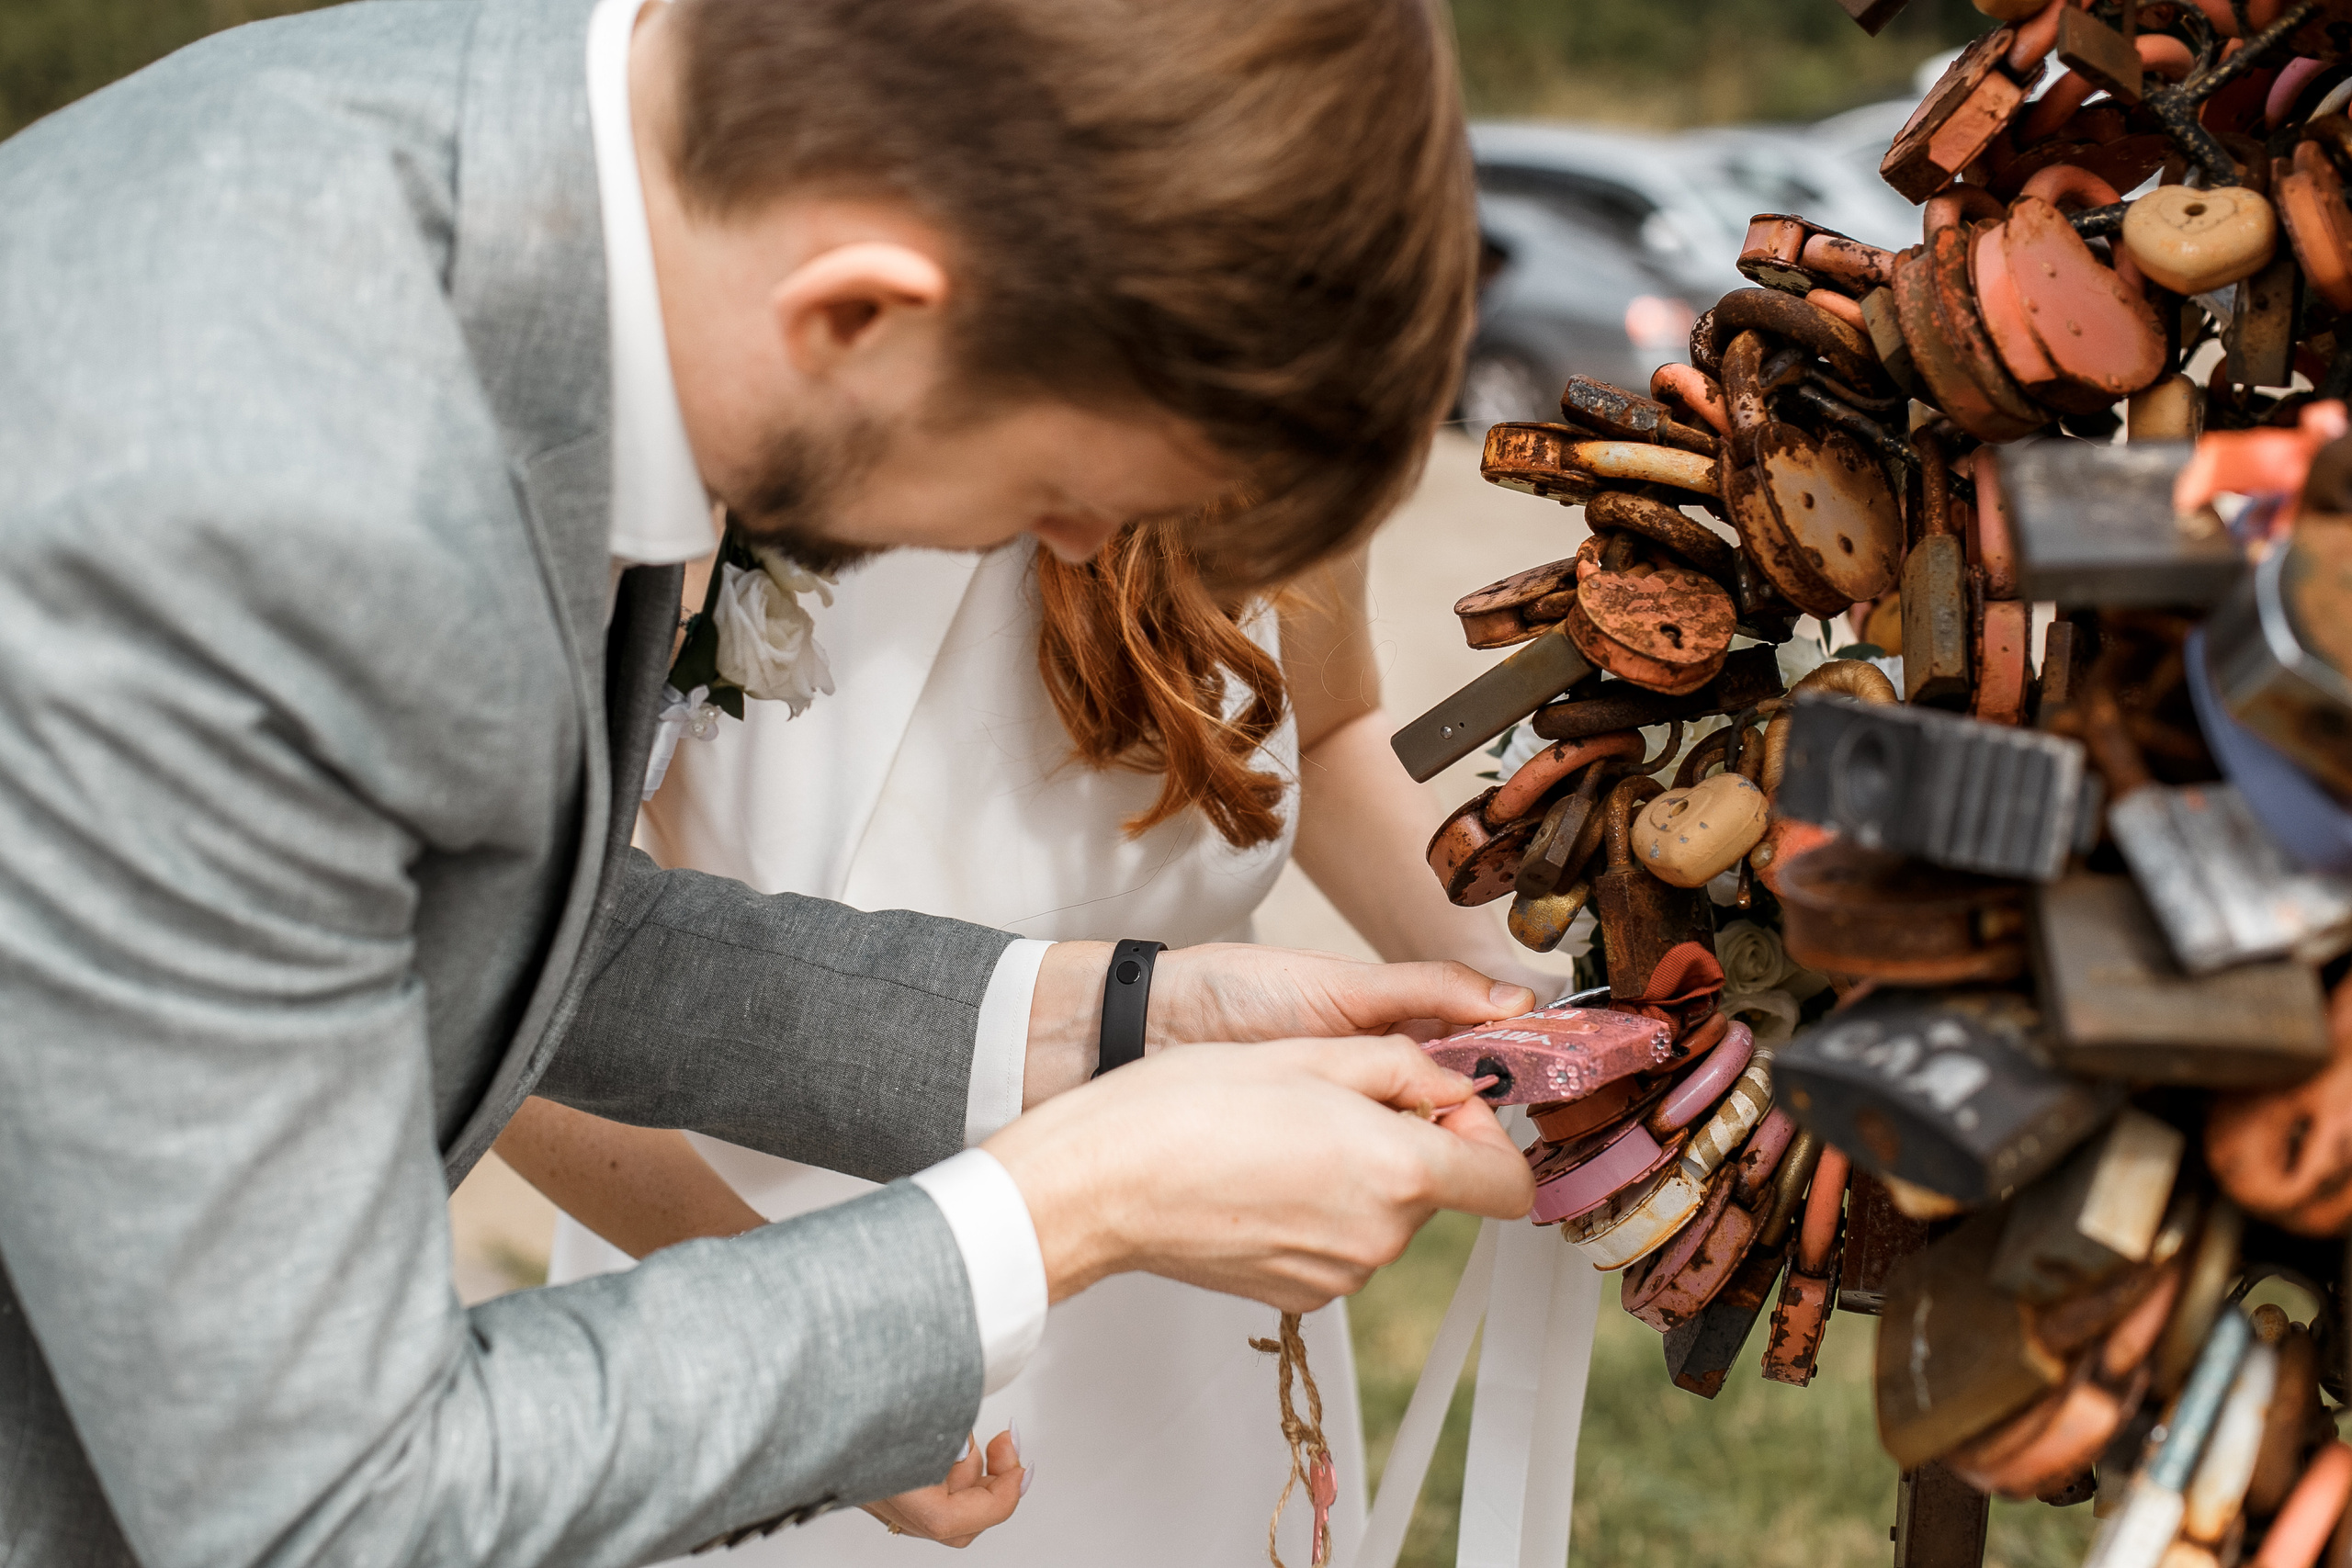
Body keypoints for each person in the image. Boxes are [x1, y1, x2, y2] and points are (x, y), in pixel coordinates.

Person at [0, 0, 1540, 1562]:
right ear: (860, 312)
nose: (1076, 551)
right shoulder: (221, 523)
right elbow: (333, 1502)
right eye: (1060, 495)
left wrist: (1127, 1020)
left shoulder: (519, 218)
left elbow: (526, 927)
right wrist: (1065, 1210)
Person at [499, 528, 1569, 1562]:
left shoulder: (1283, 383)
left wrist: (1537, 1010)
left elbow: (1320, 727)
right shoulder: (691, 443)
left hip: (1200, 1260)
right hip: (741, 1242)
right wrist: (815, 1349)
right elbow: (497, 970)